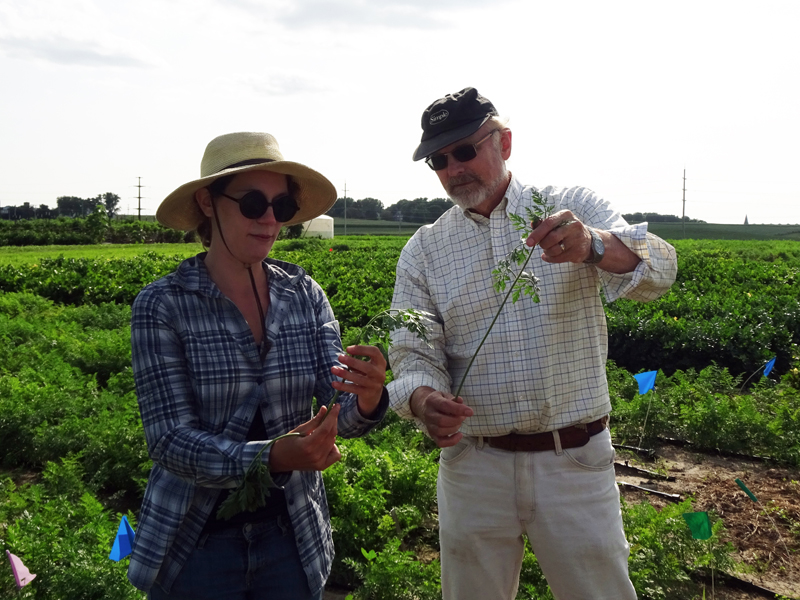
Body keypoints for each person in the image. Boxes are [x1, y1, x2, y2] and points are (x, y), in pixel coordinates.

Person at [387, 88, 678, 600]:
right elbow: (413, 353)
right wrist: (422, 399)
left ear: (505, 143)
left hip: (574, 461)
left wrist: (594, 247)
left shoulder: (570, 209)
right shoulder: (424, 250)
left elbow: (660, 272)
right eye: (439, 159)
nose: (454, 168)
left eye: (465, 150)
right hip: (473, 465)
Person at [127, 132, 389, 599]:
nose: (269, 219)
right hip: (197, 543)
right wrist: (270, 457)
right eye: (252, 203)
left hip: (291, 536)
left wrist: (366, 399)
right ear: (208, 202)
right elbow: (169, 441)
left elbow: (336, 411)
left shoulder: (303, 294)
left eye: (281, 207)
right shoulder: (163, 305)